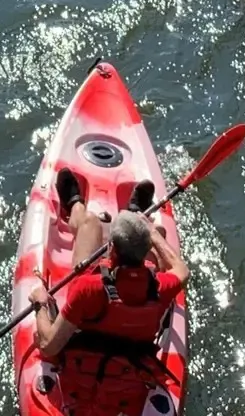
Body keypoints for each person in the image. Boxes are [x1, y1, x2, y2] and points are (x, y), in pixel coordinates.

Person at [25, 173, 188, 415]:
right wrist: (153, 234)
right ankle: (134, 213)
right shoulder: (160, 287)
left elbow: (48, 345)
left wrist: (40, 303)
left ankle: (76, 206)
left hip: (81, 371)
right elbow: (182, 271)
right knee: (156, 255)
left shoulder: (87, 288)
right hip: (128, 377)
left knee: (90, 222)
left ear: (110, 248)